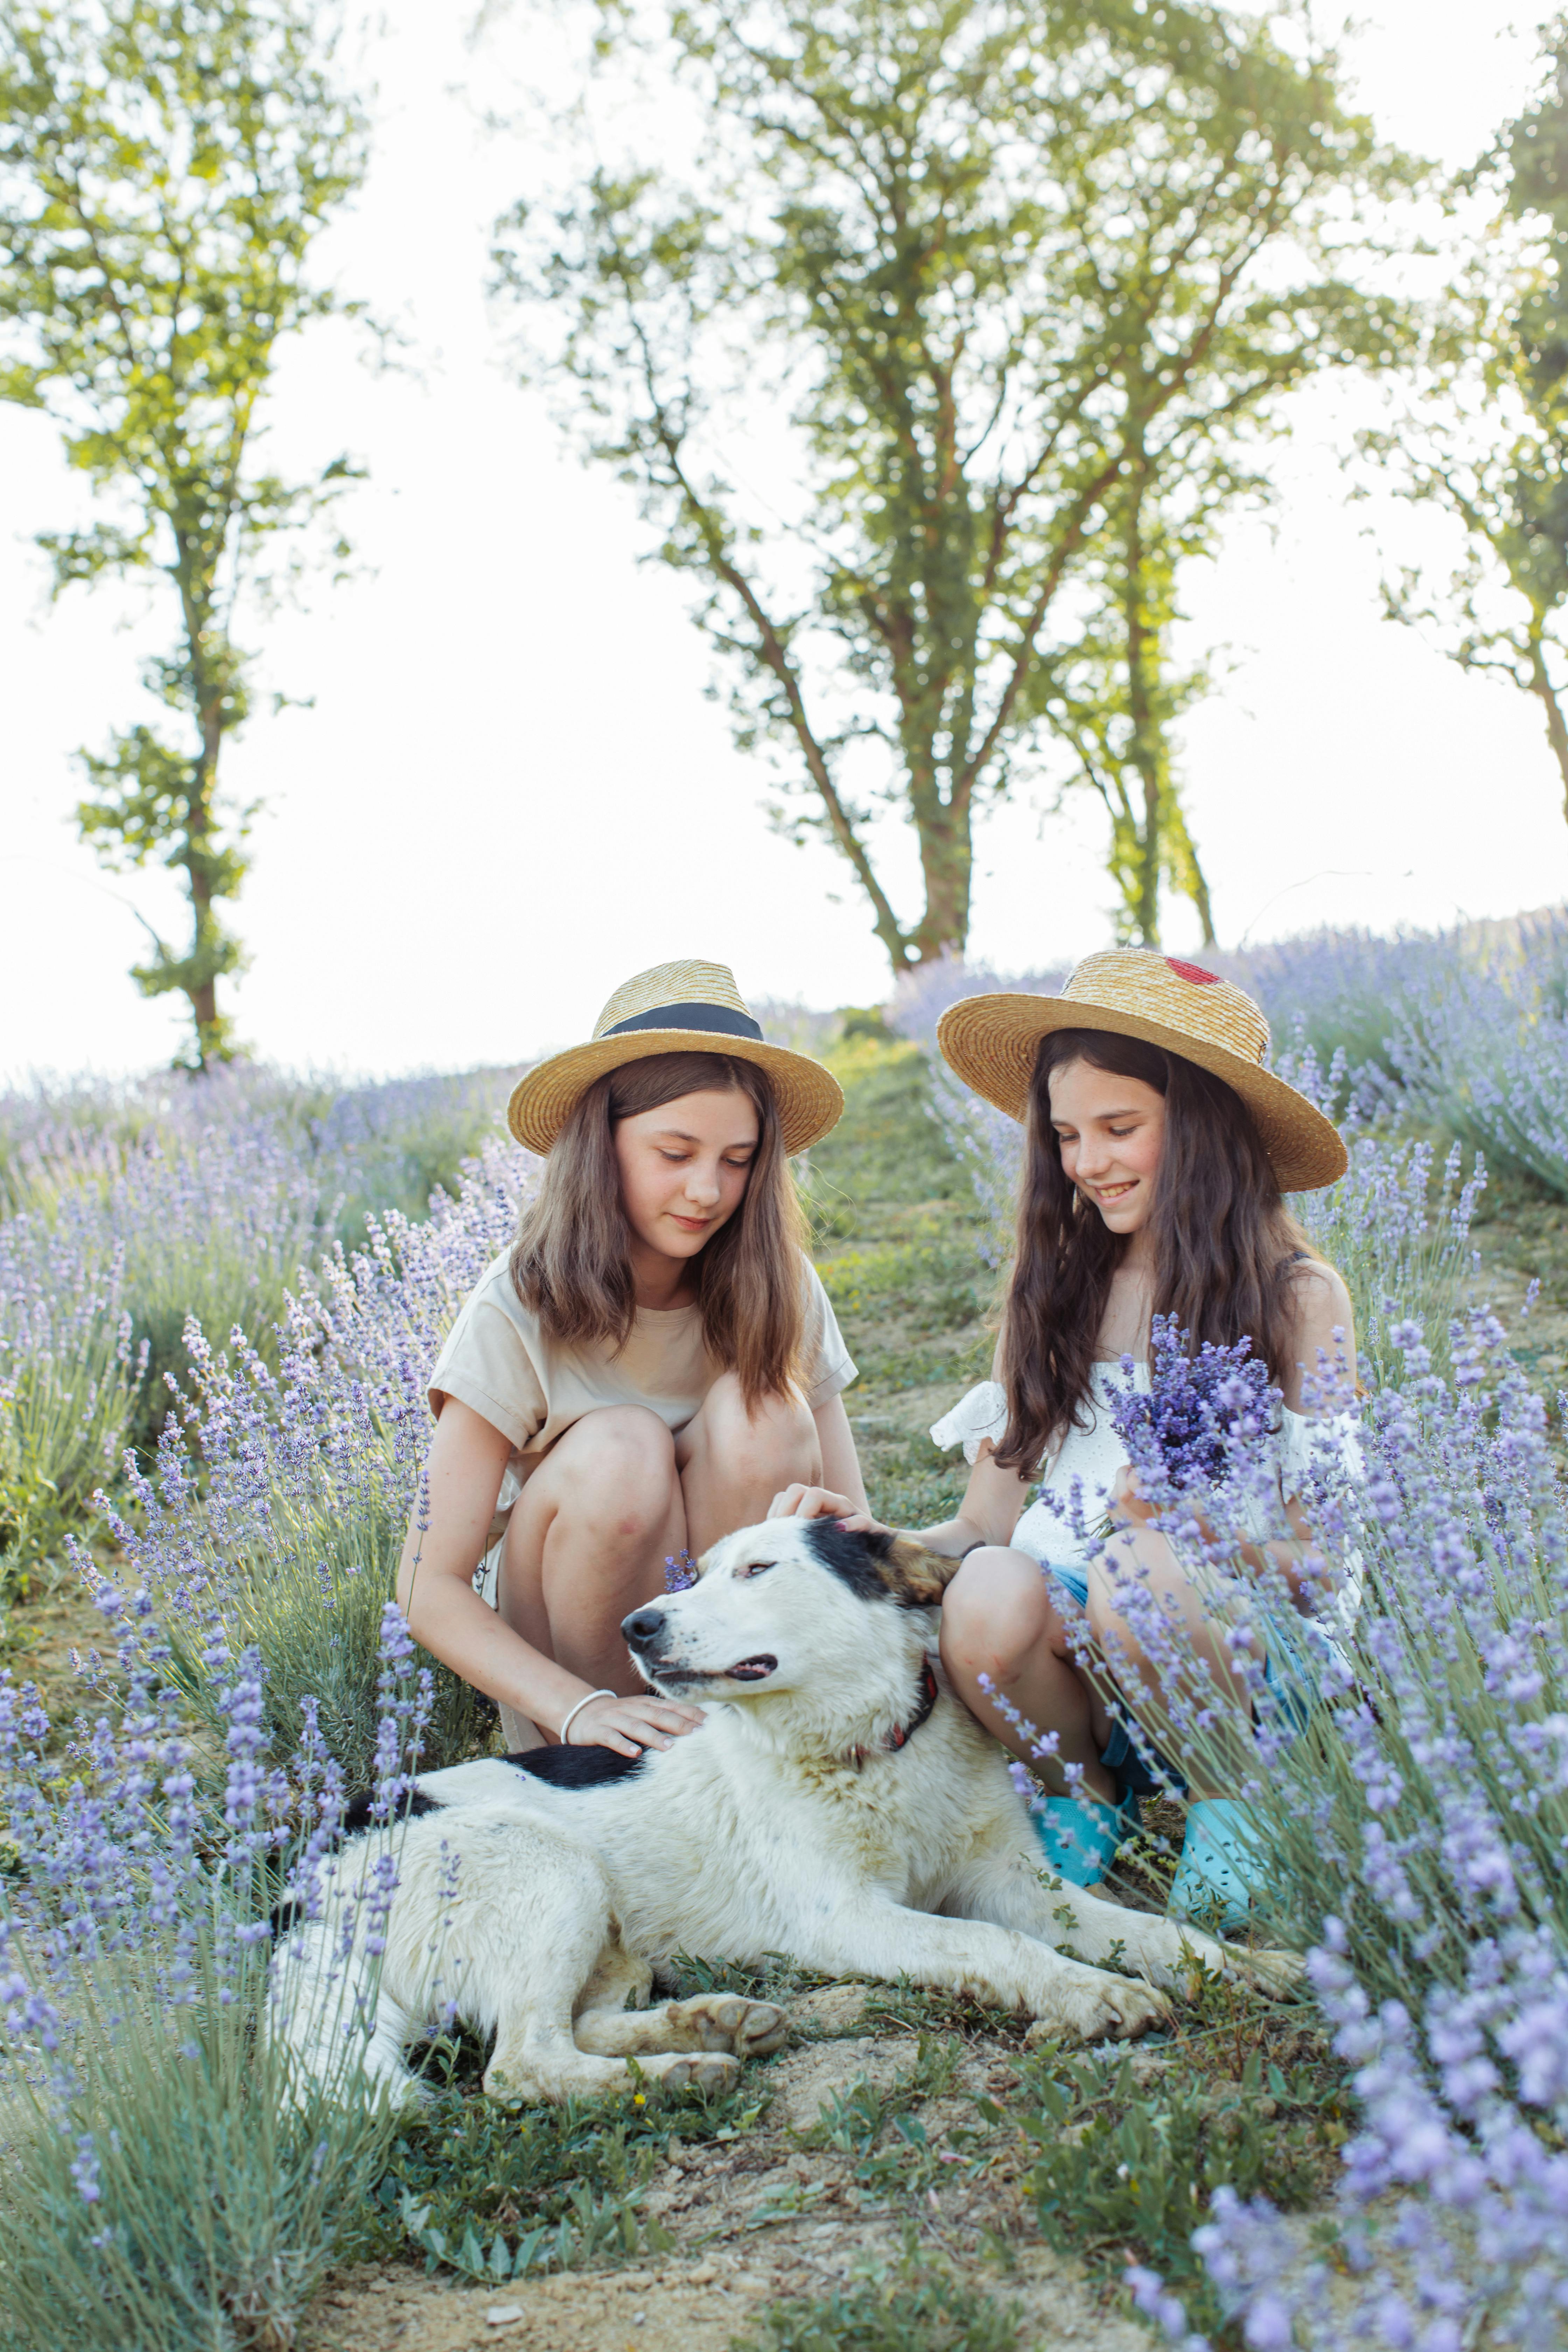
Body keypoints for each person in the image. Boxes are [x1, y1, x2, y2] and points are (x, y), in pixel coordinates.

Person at [778, 949, 1358, 1926]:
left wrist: (1202, 1538)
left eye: (1120, 1129)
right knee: (990, 1597)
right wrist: (870, 1547)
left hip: (1239, 1659)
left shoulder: (1298, 1300)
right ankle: (1081, 1792)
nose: (1087, 1163)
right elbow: (984, 1526)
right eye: (1066, 1136)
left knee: (1144, 1567)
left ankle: (1230, 1804)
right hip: (1084, 1663)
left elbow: (1329, 1562)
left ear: (1208, 1129)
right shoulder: (1057, 1291)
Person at [398, 959, 866, 1760]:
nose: (707, 1191)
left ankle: (748, 1748)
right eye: (674, 1152)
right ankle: (610, 1769)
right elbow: (425, 1585)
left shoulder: (778, 1284)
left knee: (764, 1411)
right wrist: (574, 1707)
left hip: (740, 1662)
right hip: (578, 1685)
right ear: (600, 1143)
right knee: (622, 1449)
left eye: (737, 1158)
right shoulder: (518, 1303)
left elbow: (847, 1516)